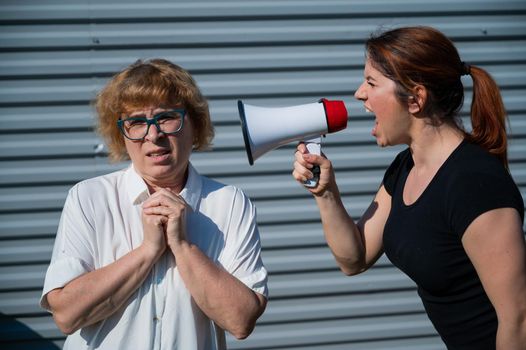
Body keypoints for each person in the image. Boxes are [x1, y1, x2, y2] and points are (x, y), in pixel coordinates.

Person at [292, 26, 525, 349]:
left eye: (372, 83)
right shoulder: (406, 168)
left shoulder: (474, 184)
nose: (360, 93)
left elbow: (518, 319)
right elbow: (354, 258)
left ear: (415, 98)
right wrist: (325, 192)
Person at [40, 58, 268, 350]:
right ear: (121, 135)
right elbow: (67, 316)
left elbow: (240, 321)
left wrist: (182, 246)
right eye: (136, 122)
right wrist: (148, 251)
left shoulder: (230, 203)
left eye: (166, 118)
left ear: (194, 125)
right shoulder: (89, 197)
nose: (153, 135)